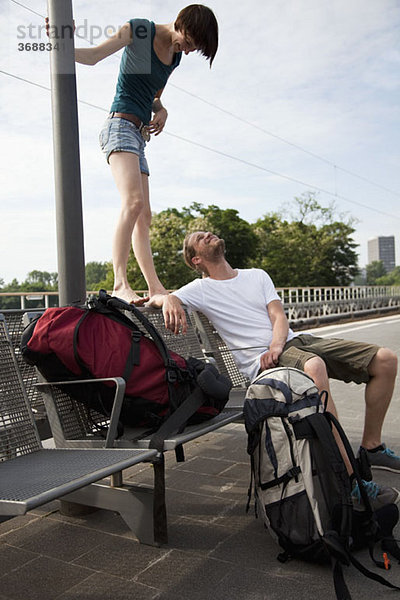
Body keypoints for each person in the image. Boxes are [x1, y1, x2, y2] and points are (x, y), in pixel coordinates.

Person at [148, 230, 400, 509]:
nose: (208, 233)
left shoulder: (257, 275)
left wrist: (277, 345)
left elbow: (278, 316)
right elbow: (157, 299)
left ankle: (372, 447)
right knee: (314, 366)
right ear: (195, 259)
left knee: (385, 360)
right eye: (199, 237)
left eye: (208, 232)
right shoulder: (199, 289)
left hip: (291, 343)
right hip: (261, 361)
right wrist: (170, 298)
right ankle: (349, 479)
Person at [71, 6, 218, 304]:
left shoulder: (174, 57)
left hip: (139, 136)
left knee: (145, 216)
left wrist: (162, 109)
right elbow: (93, 57)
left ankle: (155, 287)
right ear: (181, 23)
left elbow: (153, 96)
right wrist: (61, 42)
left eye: (193, 49)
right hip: (119, 126)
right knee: (133, 202)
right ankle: (120, 283)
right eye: (189, 43)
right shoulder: (140, 30)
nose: (187, 52)